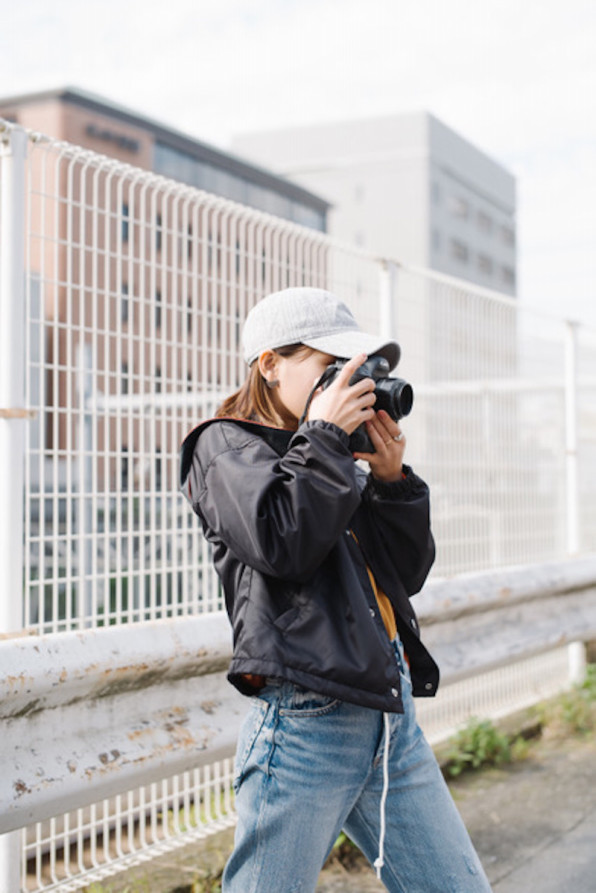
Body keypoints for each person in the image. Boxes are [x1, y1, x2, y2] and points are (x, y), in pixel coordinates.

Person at [180, 287, 492, 893]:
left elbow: (407, 574)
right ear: (269, 364)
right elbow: (281, 543)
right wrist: (323, 437)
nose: (351, 386)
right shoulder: (224, 446)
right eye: (331, 369)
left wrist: (391, 479)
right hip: (307, 723)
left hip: (389, 717)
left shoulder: (330, 455)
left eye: (359, 372)